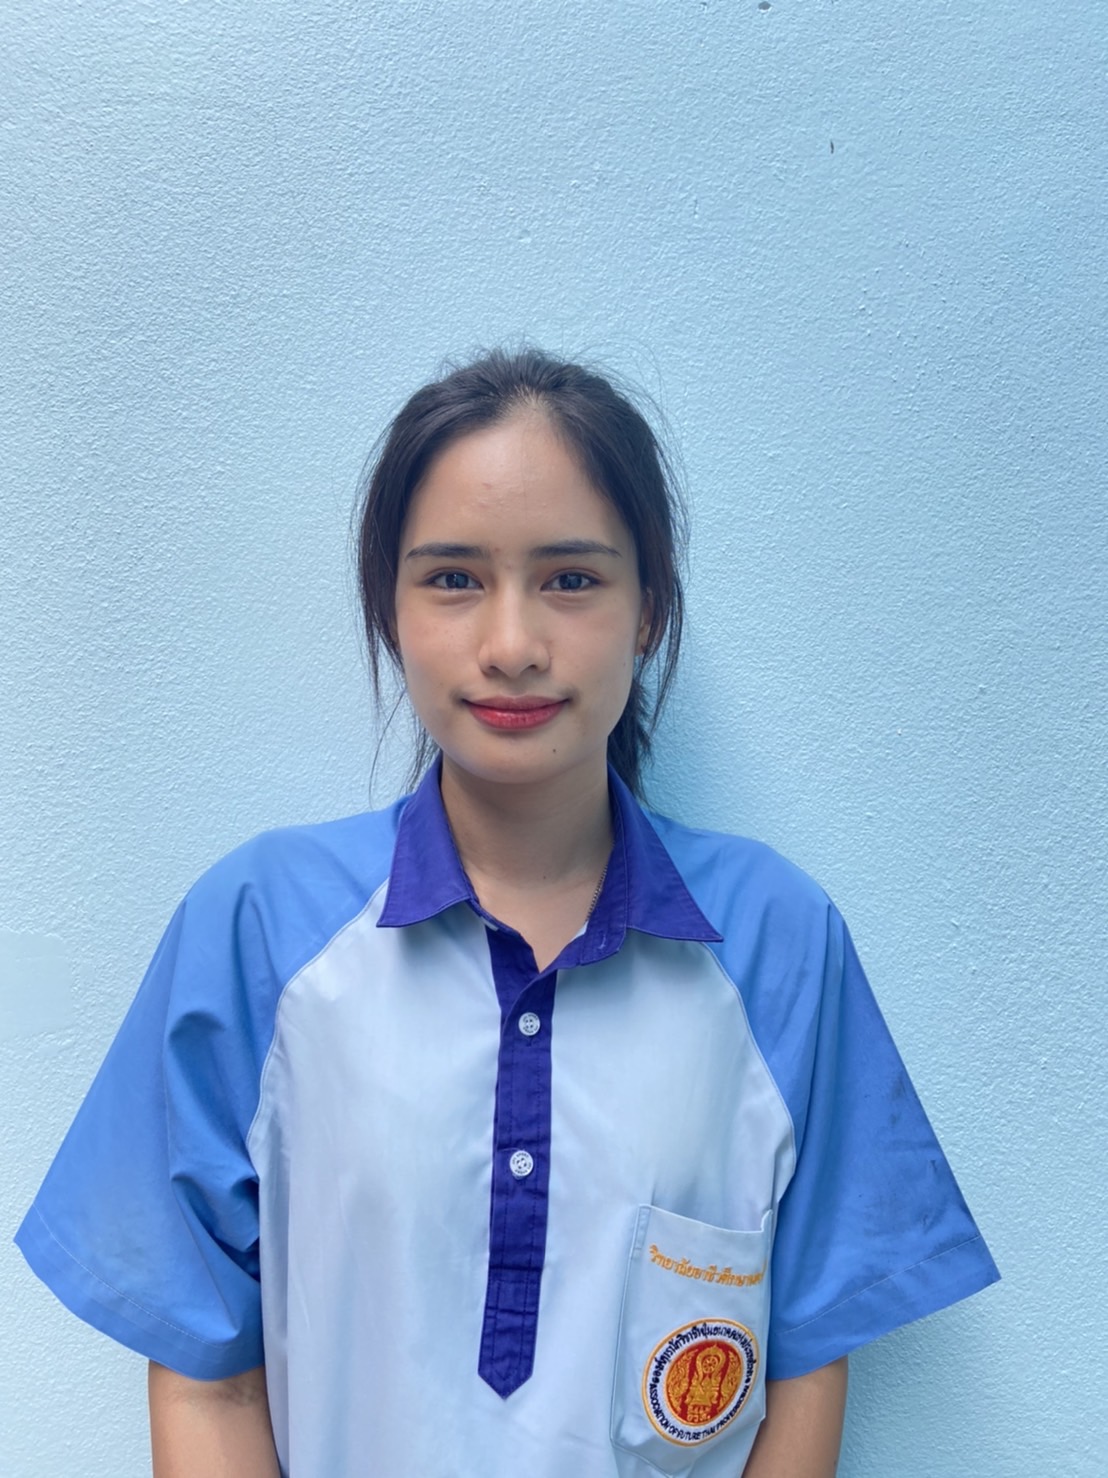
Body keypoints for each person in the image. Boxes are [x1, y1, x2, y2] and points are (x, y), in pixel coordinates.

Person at [16, 349, 999, 1477]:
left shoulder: (778, 942)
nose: (512, 644)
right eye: (452, 578)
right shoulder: (255, 929)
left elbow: (804, 1365)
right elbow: (210, 1375)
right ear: (389, 609)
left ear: (648, 609)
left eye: (571, 578)